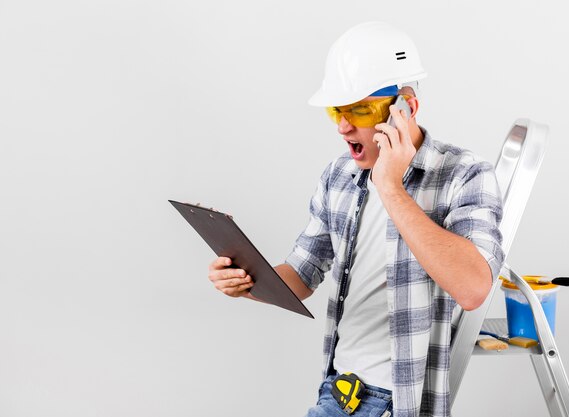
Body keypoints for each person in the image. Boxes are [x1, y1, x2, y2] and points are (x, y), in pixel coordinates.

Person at [208, 21, 504, 417]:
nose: (344, 126)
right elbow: (302, 274)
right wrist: (248, 281)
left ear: (406, 109)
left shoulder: (465, 175)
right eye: (337, 111)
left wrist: (391, 186)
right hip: (340, 390)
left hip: (397, 402)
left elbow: (472, 288)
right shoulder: (339, 175)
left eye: (360, 110)